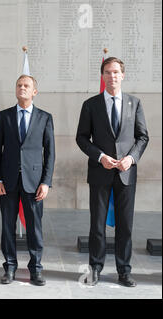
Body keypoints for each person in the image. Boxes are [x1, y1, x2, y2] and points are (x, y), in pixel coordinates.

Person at [76, 57, 149, 287]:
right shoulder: (91, 104)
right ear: (102, 76)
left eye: (116, 72)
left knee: (125, 225)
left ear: (123, 75)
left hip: (126, 174)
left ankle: (124, 271)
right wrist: (100, 156)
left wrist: (131, 158)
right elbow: (81, 137)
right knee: (97, 224)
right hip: (100, 172)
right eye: (108, 72)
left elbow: (142, 137)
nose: (112, 76)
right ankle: (95, 268)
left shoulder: (134, 103)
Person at [0, 75, 55, 286]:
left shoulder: (45, 117)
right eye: (19, 85)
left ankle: (36, 268)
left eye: (27, 86)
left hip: (34, 182)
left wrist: (46, 182)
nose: (22, 88)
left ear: (34, 91)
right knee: (7, 226)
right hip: (7, 181)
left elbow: (50, 153)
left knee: (35, 227)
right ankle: (9, 267)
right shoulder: (4, 116)